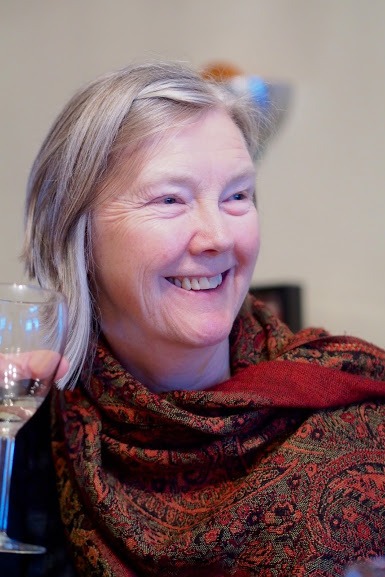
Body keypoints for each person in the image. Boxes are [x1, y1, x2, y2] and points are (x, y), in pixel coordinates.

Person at [2, 60, 385, 577]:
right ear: (77, 233)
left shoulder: (355, 411)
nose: (219, 237)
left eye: (237, 196)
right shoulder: (29, 431)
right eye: (170, 199)